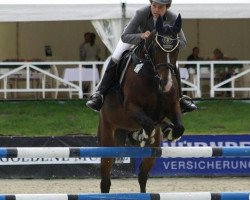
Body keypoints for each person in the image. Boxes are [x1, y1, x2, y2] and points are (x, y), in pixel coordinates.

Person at [86, 0, 197, 113]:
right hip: (134, 37)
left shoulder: (172, 18)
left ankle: (180, 98)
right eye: (154, 6)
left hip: (157, 47)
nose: (156, 10)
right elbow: (125, 36)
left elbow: (183, 42)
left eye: (160, 7)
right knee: (116, 55)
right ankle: (100, 94)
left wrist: (168, 42)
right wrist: (141, 35)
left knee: (173, 63)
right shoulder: (141, 13)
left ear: (167, 7)